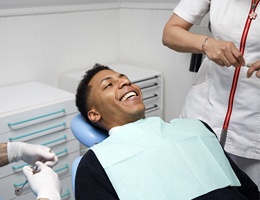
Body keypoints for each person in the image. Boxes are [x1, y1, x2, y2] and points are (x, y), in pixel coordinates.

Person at [74, 63, 259, 200]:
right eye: (109, 85)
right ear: (94, 114)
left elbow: (249, 190)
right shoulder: (96, 164)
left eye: (125, 79)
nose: (124, 83)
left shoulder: (197, 129)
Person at [162, 0, 260, 190]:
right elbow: (170, 33)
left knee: (249, 192)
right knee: (189, 184)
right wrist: (206, 43)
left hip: (253, 121)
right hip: (204, 106)